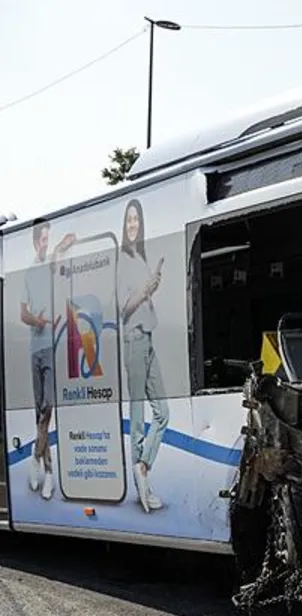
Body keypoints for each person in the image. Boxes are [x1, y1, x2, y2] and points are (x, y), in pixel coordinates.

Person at [119, 199, 169, 513]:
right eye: (129, 220)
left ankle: (143, 467)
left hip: (148, 338)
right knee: (138, 417)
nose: (133, 224)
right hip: (133, 340)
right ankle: (143, 481)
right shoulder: (123, 260)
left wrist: (152, 287)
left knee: (163, 412)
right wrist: (145, 290)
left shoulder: (140, 256)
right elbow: (123, 309)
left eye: (137, 219)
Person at [20, 220, 75, 501]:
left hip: (52, 347)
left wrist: (64, 243)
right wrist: (37, 320)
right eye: (42, 239)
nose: (45, 243)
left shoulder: (50, 267)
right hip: (34, 348)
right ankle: (50, 472)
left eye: (47, 238)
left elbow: (60, 253)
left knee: (48, 407)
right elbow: (23, 314)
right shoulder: (29, 274)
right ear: (34, 242)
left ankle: (34, 456)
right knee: (39, 411)